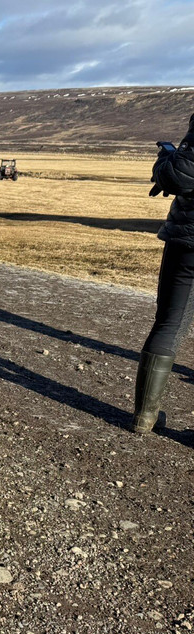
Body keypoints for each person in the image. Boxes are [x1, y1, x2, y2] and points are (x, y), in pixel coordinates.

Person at [133, 112, 194, 432]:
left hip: (189, 242)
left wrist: (165, 160)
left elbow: (182, 175)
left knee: (169, 323)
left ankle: (144, 416)